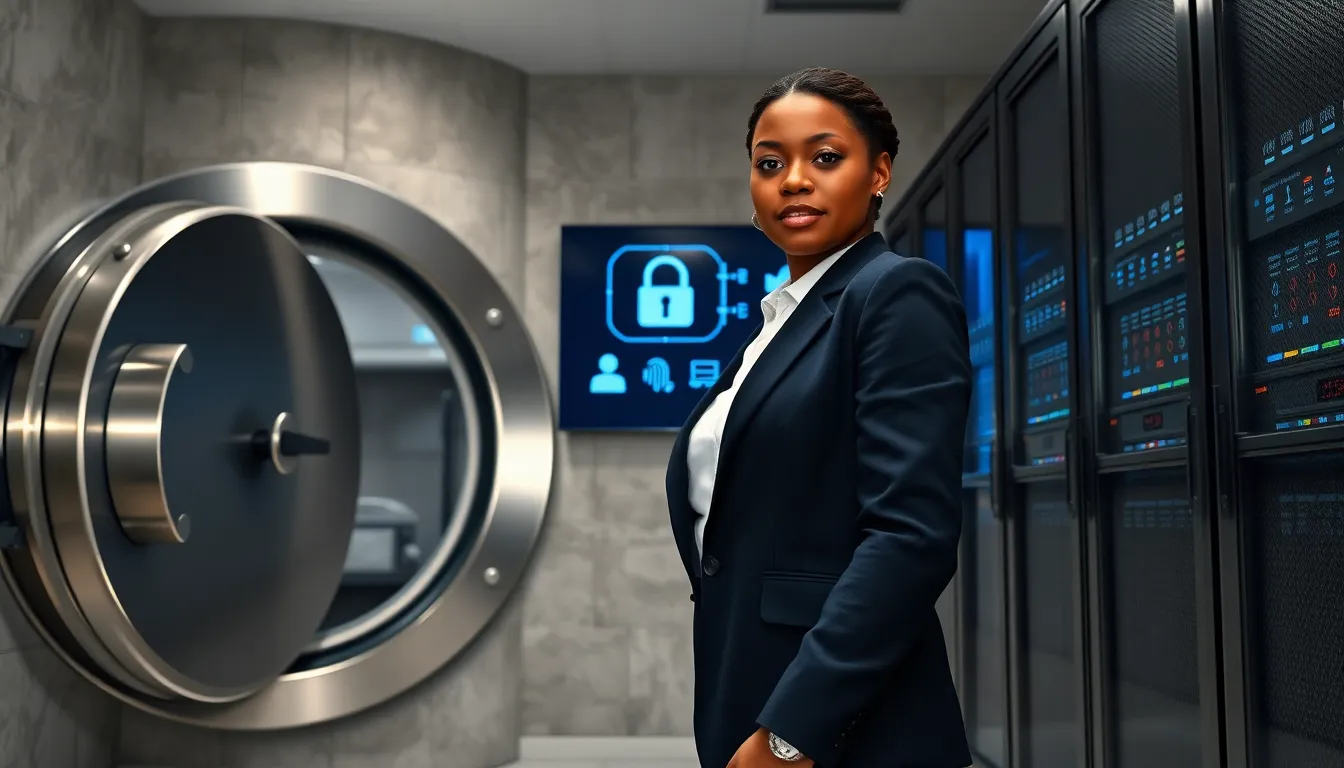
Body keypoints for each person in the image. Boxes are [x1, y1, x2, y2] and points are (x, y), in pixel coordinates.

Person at [664, 68, 973, 768]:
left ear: (879, 172)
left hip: (844, 720)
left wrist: (791, 733)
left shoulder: (895, 293)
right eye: (770, 163)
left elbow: (910, 536)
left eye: (825, 158)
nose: (793, 180)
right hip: (749, 680)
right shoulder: (778, 323)